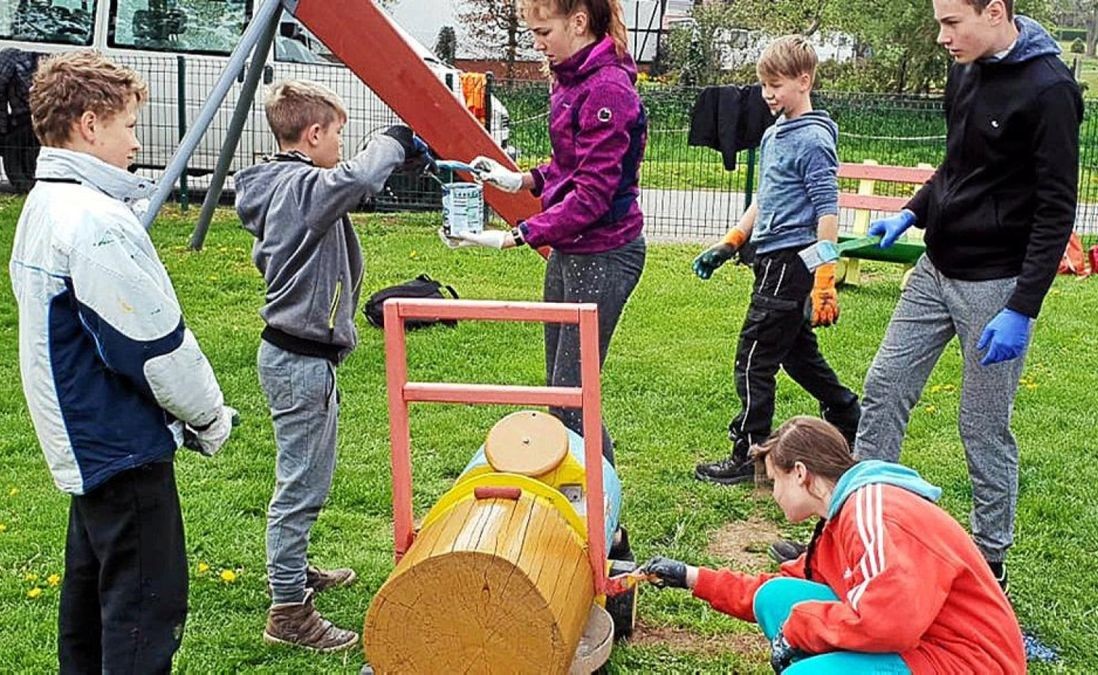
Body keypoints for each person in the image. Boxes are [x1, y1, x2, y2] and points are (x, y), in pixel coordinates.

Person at [842, 0, 1083, 592]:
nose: (941, 35)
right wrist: (910, 212)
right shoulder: (966, 65)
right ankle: (863, 530)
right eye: (938, 21)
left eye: (952, 22)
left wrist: (1022, 309)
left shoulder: (1050, 90)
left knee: (982, 426)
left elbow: (1056, 210)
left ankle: (989, 561)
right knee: (883, 389)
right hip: (935, 269)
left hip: (996, 286)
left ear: (995, 11)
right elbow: (958, 166)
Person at [9, 51, 235, 673]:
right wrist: (209, 416)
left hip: (85, 445)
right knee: (143, 613)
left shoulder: (45, 202)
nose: (137, 140)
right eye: (129, 125)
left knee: (89, 606)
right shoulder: (93, 222)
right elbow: (152, 346)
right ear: (88, 124)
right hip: (121, 447)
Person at [234, 79, 434, 651]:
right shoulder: (301, 189)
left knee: (302, 477)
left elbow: (350, 186)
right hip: (300, 362)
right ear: (314, 134)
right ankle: (288, 611)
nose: (342, 145)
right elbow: (358, 177)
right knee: (301, 486)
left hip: (295, 356)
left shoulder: (282, 185)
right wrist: (393, 138)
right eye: (339, 134)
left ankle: (294, 573)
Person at [644, 417, 1026, 674]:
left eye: (774, 481)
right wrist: (691, 577)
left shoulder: (874, 513)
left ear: (800, 474)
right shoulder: (839, 518)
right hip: (922, 642)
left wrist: (800, 629)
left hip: (969, 662)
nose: (773, 494)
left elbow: (887, 624)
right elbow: (776, 588)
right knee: (777, 597)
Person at [459, 1, 647, 468]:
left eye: (543, 32)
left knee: (569, 396)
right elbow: (569, 167)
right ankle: (591, 503)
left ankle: (605, 522)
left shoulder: (607, 90)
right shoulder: (571, 80)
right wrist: (520, 180)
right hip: (572, 250)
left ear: (578, 22)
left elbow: (592, 197)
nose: (536, 44)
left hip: (606, 254)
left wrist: (515, 236)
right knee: (561, 391)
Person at [691, 35, 860, 486]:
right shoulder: (773, 135)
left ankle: (749, 453)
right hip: (769, 257)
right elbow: (765, 201)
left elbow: (827, 210)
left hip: (794, 259)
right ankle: (847, 411)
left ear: (803, 81)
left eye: (776, 84)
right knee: (795, 353)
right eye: (763, 83)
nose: (767, 93)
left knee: (754, 356)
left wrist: (824, 275)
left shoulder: (814, 140)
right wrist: (730, 242)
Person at [0, 47, 44, 192]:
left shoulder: (9, 65)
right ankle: (27, 185)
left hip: (23, 119)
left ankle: (25, 185)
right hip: (30, 118)